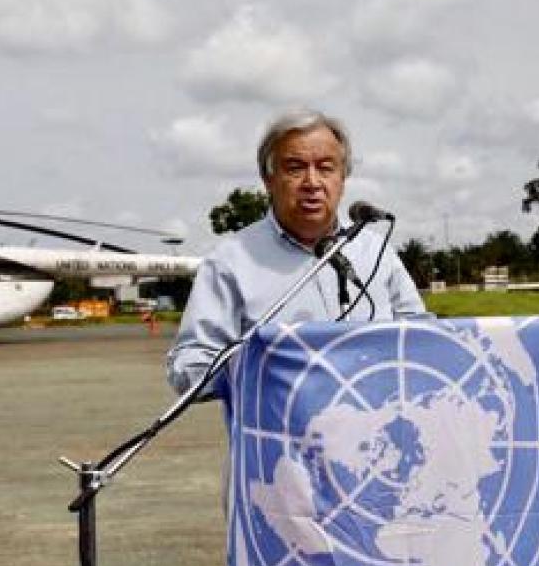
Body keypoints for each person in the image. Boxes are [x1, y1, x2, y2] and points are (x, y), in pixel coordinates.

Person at [167, 108, 427, 397]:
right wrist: (262, 366)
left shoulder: (377, 252)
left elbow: (425, 340)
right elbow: (187, 368)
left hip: (378, 435)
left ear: (343, 179)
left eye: (326, 168)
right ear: (269, 179)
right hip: (280, 439)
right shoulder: (230, 261)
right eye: (295, 167)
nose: (312, 183)